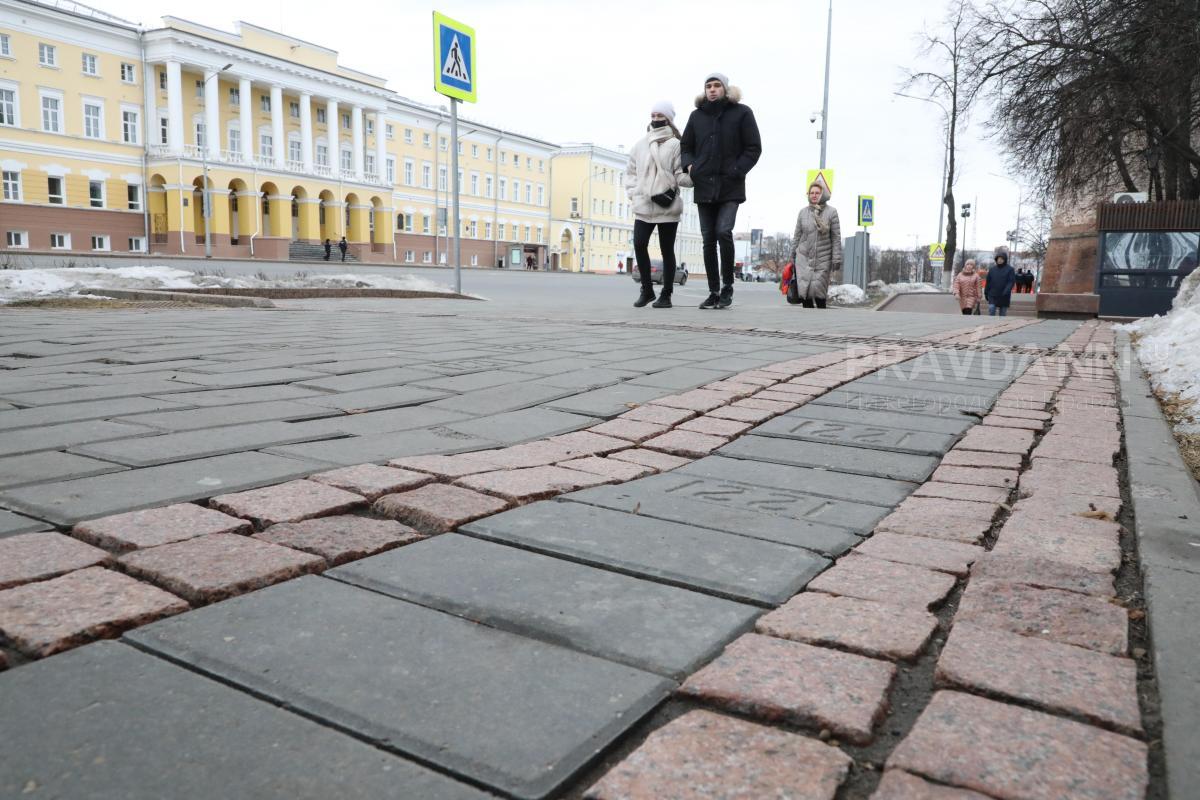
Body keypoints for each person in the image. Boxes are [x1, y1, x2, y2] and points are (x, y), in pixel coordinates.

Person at [681, 72, 762, 309]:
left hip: (730, 185)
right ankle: (713, 291)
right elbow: (686, 146)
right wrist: (690, 165)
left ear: (725, 89)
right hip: (704, 184)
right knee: (708, 240)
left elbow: (754, 147)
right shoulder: (697, 116)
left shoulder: (742, 113)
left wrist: (738, 169)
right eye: (708, 86)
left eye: (717, 85)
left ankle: (728, 286)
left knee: (723, 231)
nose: (712, 89)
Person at [625, 100, 691, 309]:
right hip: (644, 203)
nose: (655, 119)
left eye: (660, 116)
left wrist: (693, 176)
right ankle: (647, 290)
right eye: (653, 115)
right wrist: (633, 193)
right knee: (639, 244)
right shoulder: (640, 144)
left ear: (669, 119)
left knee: (667, 250)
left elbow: (681, 175)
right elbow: (631, 172)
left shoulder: (676, 144)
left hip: (666, 204)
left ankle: (667, 295)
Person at [789, 182, 843, 308]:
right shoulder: (803, 212)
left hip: (823, 258)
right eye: (811, 193)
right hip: (803, 257)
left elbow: (836, 237)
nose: (814, 195)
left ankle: (821, 320)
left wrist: (836, 258)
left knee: (819, 291)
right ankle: (807, 323)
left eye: (817, 193)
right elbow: (797, 235)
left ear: (823, 194)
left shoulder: (832, 212)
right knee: (805, 292)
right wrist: (792, 255)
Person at [986, 251, 1016, 316]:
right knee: (991, 308)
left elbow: (1011, 281)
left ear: (1005, 260)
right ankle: (991, 324)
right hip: (993, 294)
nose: (999, 260)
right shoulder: (992, 269)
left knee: (1002, 314)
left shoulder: (1010, 269)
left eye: (1001, 259)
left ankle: (1000, 324)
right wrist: (986, 292)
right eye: (998, 259)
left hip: (1004, 295)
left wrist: (1007, 290)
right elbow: (988, 281)